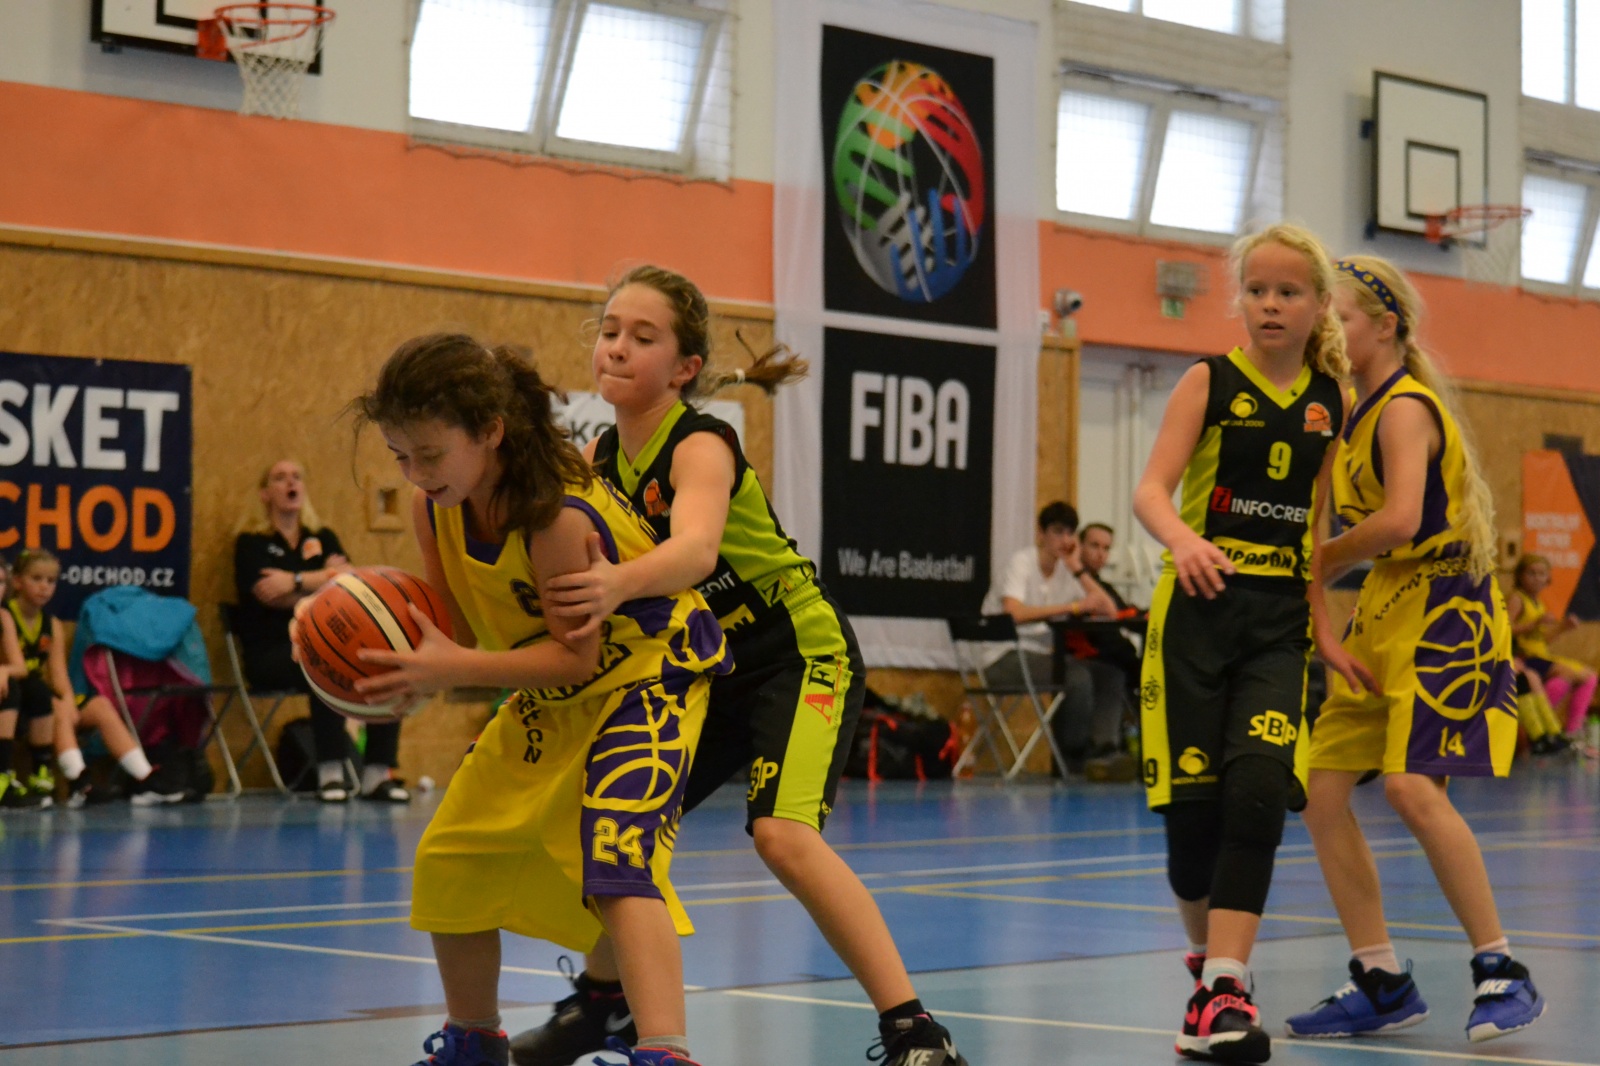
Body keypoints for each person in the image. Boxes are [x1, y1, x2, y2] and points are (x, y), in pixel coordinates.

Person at [524, 265, 968, 1066]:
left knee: (782, 836)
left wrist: (615, 582)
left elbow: (695, 550)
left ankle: (917, 1031)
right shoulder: (599, 459)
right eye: (610, 330)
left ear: (685, 368)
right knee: (614, 820)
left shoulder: (699, 443)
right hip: (708, 668)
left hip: (796, 653)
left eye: (643, 337)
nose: (617, 347)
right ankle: (601, 1006)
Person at [305, 333, 730, 1066]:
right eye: (401, 456)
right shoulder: (435, 506)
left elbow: (576, 655)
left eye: (430, 454)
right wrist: (361, 652)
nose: (416, 473)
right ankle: (473, 1043)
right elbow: (460, 631)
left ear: (491, 432)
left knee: (617, 859)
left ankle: (665, 1052)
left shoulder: (555, 515)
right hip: (556, 690)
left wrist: (453, 668)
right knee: (451, 853)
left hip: (645, 676)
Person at [1285, 254, 1545, 1044]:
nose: (1328, 333)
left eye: (1339, 319)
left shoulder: (1404, 407)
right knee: (1321, 793)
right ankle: (1380, 978)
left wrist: (1319, 560)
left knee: (1409, 788)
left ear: (1385, 325)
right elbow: (1334, 535)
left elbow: (1399, 520)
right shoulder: (1345, 414)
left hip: (1445, 611)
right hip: (1382, 610)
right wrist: (1312, 597)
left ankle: (1501, 967)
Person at [1132, 222, 1349, 1063]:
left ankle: (1223, 988)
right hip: (1194, 616)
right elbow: (1152, 490)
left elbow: (1317, 530)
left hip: (1276, 625)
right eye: (1257, 290)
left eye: (1288, 292)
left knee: (1258, 793)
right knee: (1193, 834)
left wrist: (1325, 628)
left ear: (1318, 305)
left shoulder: (1331, 402)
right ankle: (1206, 963)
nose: (1270, 304)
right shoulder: (1209, 381)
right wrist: (1184, 540)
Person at [235, 460, 410, 802]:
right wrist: (323, 580)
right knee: (323, 663)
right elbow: (268, 596)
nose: (290, 483)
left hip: (322, 639)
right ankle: (330, 774)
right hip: (271, 651)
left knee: (385, 663)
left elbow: (347, 586)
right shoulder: (251, 543)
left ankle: (377, 775)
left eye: (296, 477)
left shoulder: (322, 537)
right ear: (265, 493)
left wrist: (294, 580)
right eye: (280, 477)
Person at [2, 549, 176, 808]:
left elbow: (58, 675)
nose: (44, 587)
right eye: (36, 579)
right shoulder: (6, 615)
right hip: (17, 700)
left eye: (51, 581)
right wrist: (62, 706)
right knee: (54, 707)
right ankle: (77, 784)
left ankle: (145, 779)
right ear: (17, 581)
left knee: (99, 706)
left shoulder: (52, 624)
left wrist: (69, 701)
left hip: (40, 695)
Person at [982, 502, 1126, 773]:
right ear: (1041, 534)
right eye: (1058, 532)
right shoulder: (1022, 562)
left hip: (1043, 658)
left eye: (1070, 533)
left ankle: (1103, 754)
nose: (1065, 540)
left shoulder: (1067, 570)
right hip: (1002, 657)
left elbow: (1109, 611)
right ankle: (1071, 762)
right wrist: (1072, 607)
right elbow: (1013, 614)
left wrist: (1076, 566)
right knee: (1076, 677)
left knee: (1110, 675)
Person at [1507, 553, 1596, 745]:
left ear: (1548, 578)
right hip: (1525, 657)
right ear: (1520, 575)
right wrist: (1535, 623)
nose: (1537, 578)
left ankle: (1550, 731)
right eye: (1531, 573)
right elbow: (1505, 629)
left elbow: (1542, 640)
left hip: (1540, 655)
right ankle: (1564, 731)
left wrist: (1563, 628)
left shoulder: (1539, 602)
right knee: (1587, 676)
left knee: (1563, 681)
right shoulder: (1517, 598)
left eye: (1541, 574)